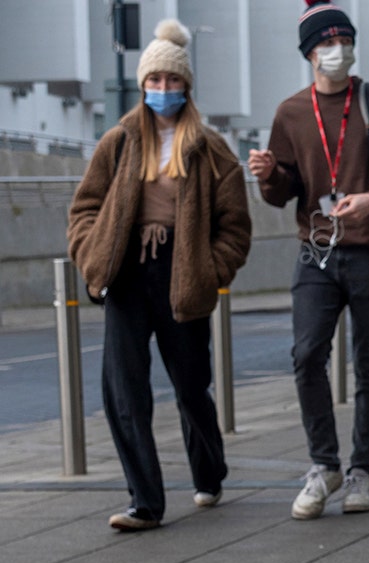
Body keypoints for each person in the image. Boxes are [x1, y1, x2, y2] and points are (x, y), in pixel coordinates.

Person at [67, 19, 253, 531]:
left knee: (192, 386)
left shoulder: (211, 149)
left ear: (186, 87)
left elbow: (235, 226)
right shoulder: (120, 140)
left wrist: (212, 270)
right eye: (155, 81)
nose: (163, 90)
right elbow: (84, 207)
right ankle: (145, 502)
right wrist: (90, 254)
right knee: (124, 392)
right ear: (143, 83)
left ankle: (209, 473)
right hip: (127, 273)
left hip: (183, 272)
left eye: (173, 82)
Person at [248, 1, 369, 520]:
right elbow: (282, 194)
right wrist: (266, 173)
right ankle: (324, 465)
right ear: (309, 52)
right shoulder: (291, 113)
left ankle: (361, 472)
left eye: (343, 41)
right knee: (306, 355)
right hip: (316, 251)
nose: (337, 50)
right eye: (326, 43)